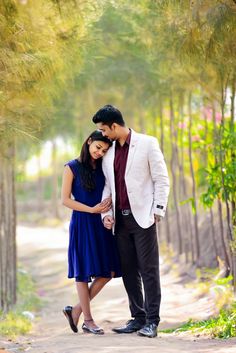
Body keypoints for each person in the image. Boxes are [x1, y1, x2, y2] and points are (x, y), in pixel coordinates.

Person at [92, 105, 170, 338]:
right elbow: (108, 184)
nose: (103, 135)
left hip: (144, 217)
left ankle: (152, 321)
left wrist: (158, 209)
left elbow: (161, 179)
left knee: (149, 270)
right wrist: (106, 214)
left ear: (114, 126)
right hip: (120, 221)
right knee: (128, 270)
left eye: (104, 130)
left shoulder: (147, 143)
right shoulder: (110, 152)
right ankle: (138, 317)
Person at [61, 130, 122, 335]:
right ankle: (87, 319)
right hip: (82, 222)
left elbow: (111, 190)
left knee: (109, 271)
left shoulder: (104, 167)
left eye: (104, 150)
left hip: (101, 223)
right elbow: (65, 200)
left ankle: (76, 310)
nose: (100, 152)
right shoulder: (71, 167)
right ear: (88, 142)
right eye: (98, 147)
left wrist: (106, 210)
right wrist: (92, 209)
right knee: (83, 272)